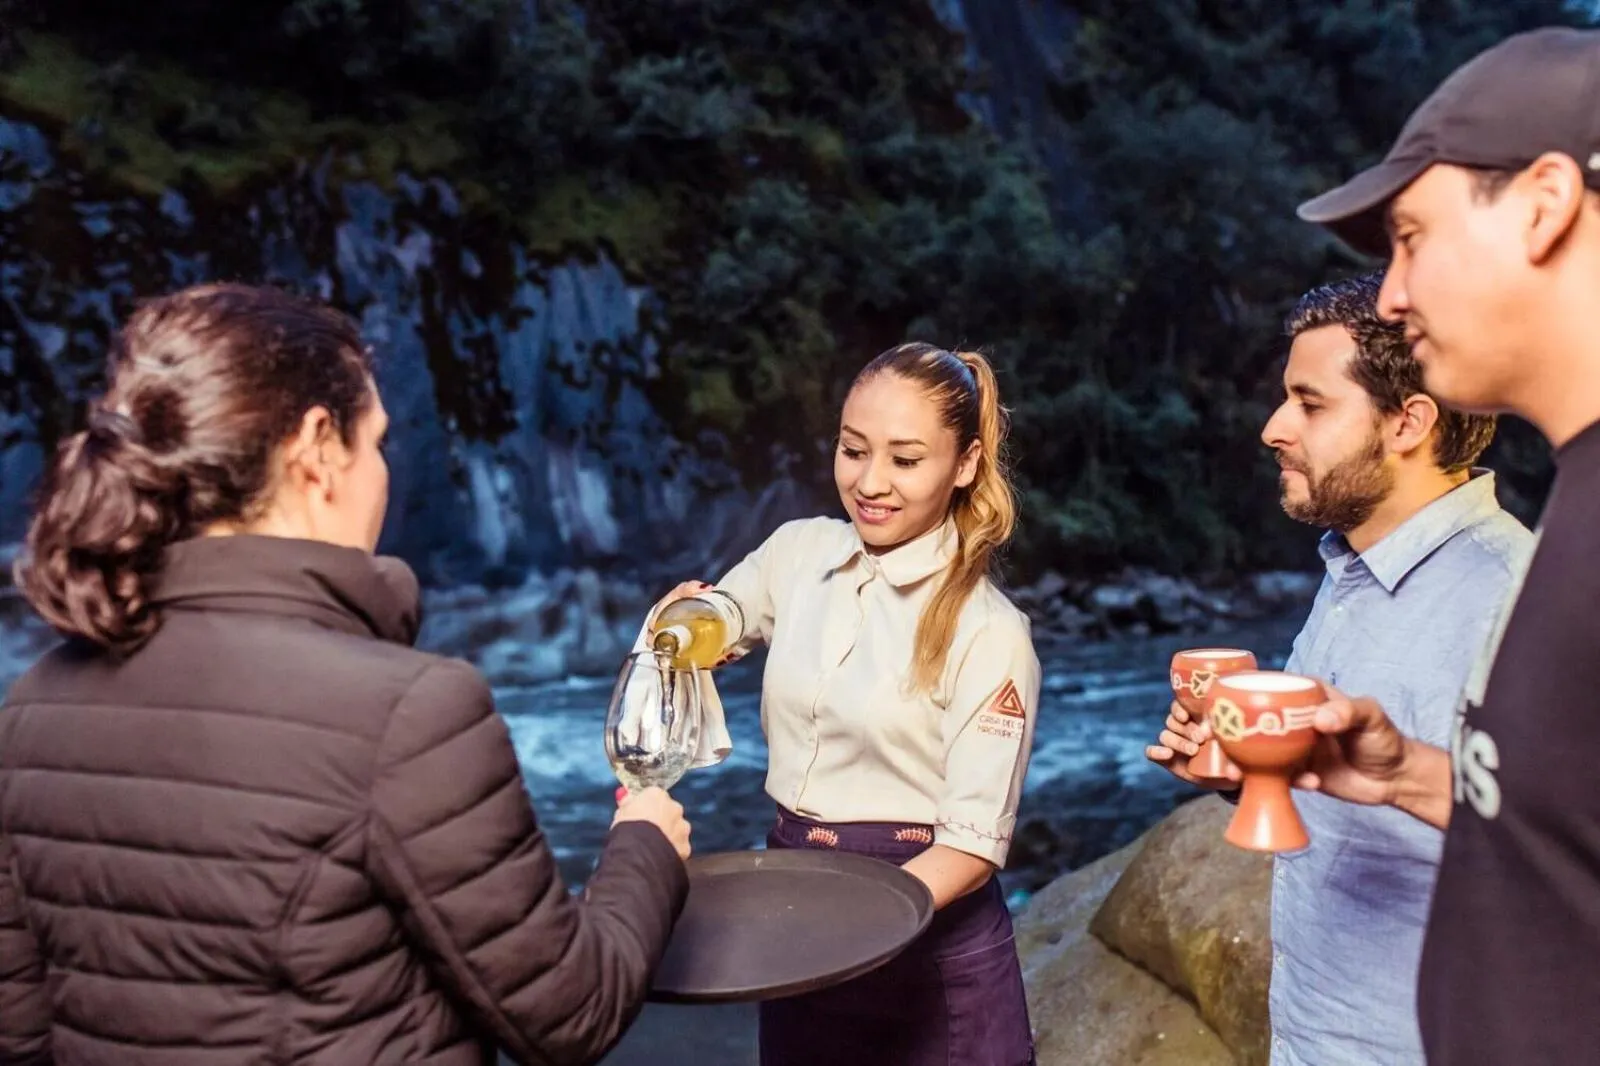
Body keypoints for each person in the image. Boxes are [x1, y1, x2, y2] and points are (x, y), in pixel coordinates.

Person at [0, 283, 691, 1065]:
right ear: (319, 448)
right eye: (377, 442)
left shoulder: (31, 708)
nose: (383, 474)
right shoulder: (410, 710)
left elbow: (21, 1032)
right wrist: (645, 847)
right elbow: (569, 1014)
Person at [1280, 25, 1600, 1064]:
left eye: (1412, 236)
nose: (1391, 294)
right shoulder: (1573, 509)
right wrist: (1408, 774)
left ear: (1545, 204)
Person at [1146, 272, 1532, 1064]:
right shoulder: (1352, 567)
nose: (1273, 427)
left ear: (1407, 423)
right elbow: (1342, 781)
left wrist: (1409, 777)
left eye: (1310, 403)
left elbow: (1564, 845)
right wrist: (1241, 765)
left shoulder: (1513, 597)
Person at [652, 342, 1038, 1066]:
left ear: (964, 464)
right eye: (853, 450)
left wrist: (858, 922)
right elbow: (729, 615)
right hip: (797, 906)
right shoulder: (800, 552)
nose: (870, 483)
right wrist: (689, 623)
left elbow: (972, 848)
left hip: (927, 929)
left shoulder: (991, 632)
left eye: (905, 459)